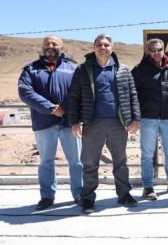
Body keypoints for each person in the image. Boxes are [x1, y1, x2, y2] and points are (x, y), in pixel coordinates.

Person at [68, 34, 140, 214]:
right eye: (99, 44)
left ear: (112, 48)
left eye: (106, 45)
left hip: (118, 123)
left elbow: (133, 96)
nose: (103, 47)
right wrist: (74, 122)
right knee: (90, 163)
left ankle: (124, 195)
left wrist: (135, 118)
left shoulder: (123, 69)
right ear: (93, 48)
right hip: (93, 124)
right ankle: (88, 199)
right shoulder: (83, 70)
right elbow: (74, 97)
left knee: (121, 162)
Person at [18, 35, 83, 210]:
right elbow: (25, 92)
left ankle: (79, 193)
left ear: (61, 46)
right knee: (46, 161)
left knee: (76, 161)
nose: (50, 46)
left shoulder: (72, 68)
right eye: (47, 43)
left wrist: (64, 107)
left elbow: (79, 91)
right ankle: (47, 196)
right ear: (43, 47)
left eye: (54, 43)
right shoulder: (31, 69)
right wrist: (50, 107)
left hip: (70, 122)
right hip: (44, 122)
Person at [132, 38, 168, 201]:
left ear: (164, 50)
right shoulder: (140, 69)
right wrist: (136, 116)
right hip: (148, 118)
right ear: (148, 51)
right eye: (153, 50)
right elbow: (133, 94)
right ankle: (148, 187)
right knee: (147, 154)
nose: (156, 53)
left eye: (159, 49)